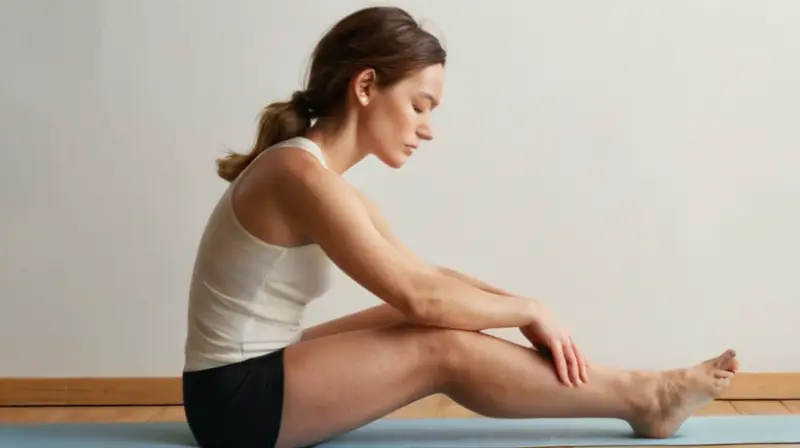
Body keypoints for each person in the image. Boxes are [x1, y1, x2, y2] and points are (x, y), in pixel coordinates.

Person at [181, 5, 739, 448]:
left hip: (263, 369)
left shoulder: (319, 176)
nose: (428, 129)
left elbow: (427, 277)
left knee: (426, 313)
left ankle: (640, 387)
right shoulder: (300, 176)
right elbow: (426, 300)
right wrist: (528, 312)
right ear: (366, 85)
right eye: (420, 105)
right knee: (441, 347)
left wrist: (524, 302)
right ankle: (648, 397)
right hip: (235, 403)